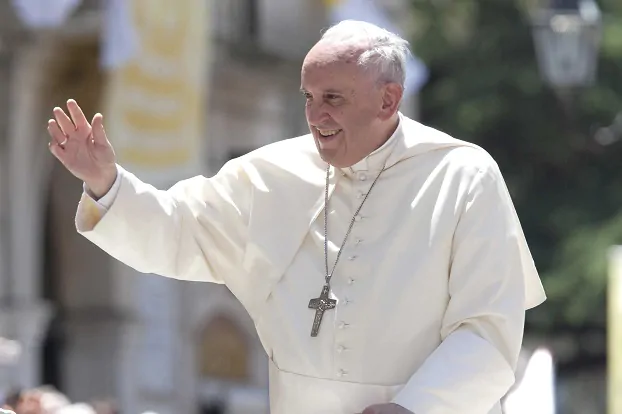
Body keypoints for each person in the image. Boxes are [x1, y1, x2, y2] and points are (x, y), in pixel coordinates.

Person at [46, 20, 546, 414]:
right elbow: (178, 230)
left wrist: (415, 408)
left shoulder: (463, 176)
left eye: (334, 98)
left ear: (388, 100)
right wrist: (106, 183)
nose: (315, 116)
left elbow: (488, 331)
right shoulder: (269, 173)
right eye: (309, 97)